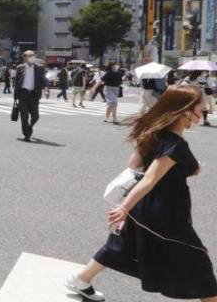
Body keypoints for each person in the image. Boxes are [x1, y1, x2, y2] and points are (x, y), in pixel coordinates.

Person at [66, 85, 217, 302]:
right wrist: (124, 207)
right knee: (197, 260)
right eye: (202, 109)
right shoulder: (175, 144)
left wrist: (186, 166)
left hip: (146, 206)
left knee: (123, 245)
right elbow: (150, 178)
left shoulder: (158, 134)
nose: (203, 114)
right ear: (186, 111)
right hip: (164, 212)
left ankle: (82, 279)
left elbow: (135, 164)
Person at [14, 51, 47, 142]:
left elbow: (43, 80)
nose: (31, 57)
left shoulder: (40, 68)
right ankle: (27, 134)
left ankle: (30, 127)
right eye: (28, 56)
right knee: (24, 116)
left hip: (34, 94)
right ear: (25, 58)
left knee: (35, 116)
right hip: (23, 94)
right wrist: (15, 97)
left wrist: (46, 89)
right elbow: (16, 83)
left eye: (32, 56)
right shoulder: (20, 68)